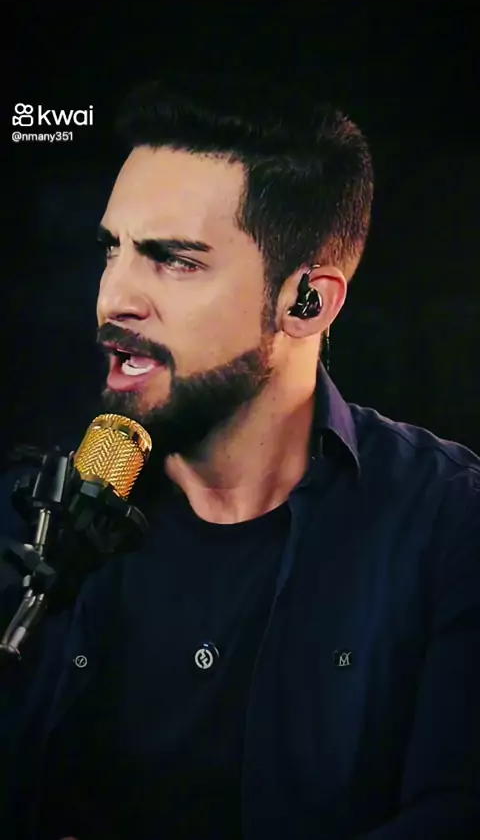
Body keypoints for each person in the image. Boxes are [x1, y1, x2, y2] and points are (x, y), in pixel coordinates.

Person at [0, 78, 479, 840]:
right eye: (112, 249)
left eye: (173, 260)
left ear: (307, 302)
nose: (113, 298)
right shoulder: (30, 523)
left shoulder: (449, 523)